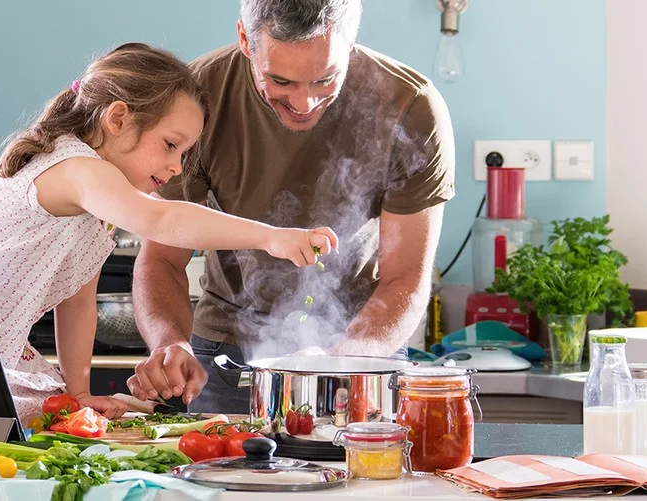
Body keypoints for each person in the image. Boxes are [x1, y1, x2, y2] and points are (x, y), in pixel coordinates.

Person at [0, 42, 339, 424]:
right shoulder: (79, 169)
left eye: (185, 153)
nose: (177, 167)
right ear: (119, 118)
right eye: (171, 145)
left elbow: (76, 304)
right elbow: (162, 220)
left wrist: (79, 390)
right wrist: (272, 237)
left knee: (2, 417)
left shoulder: (95, 213)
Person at [127, 0, 456, 414]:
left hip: (361, 353)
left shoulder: (411, 106)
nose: (304, 103)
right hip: (226, 357)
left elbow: (405, 279)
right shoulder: (196, 100)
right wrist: (169, 342)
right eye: (280, 80)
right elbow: (161, 259)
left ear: (350, 42)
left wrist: (342, 361)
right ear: (246, 40)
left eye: (325, 79)